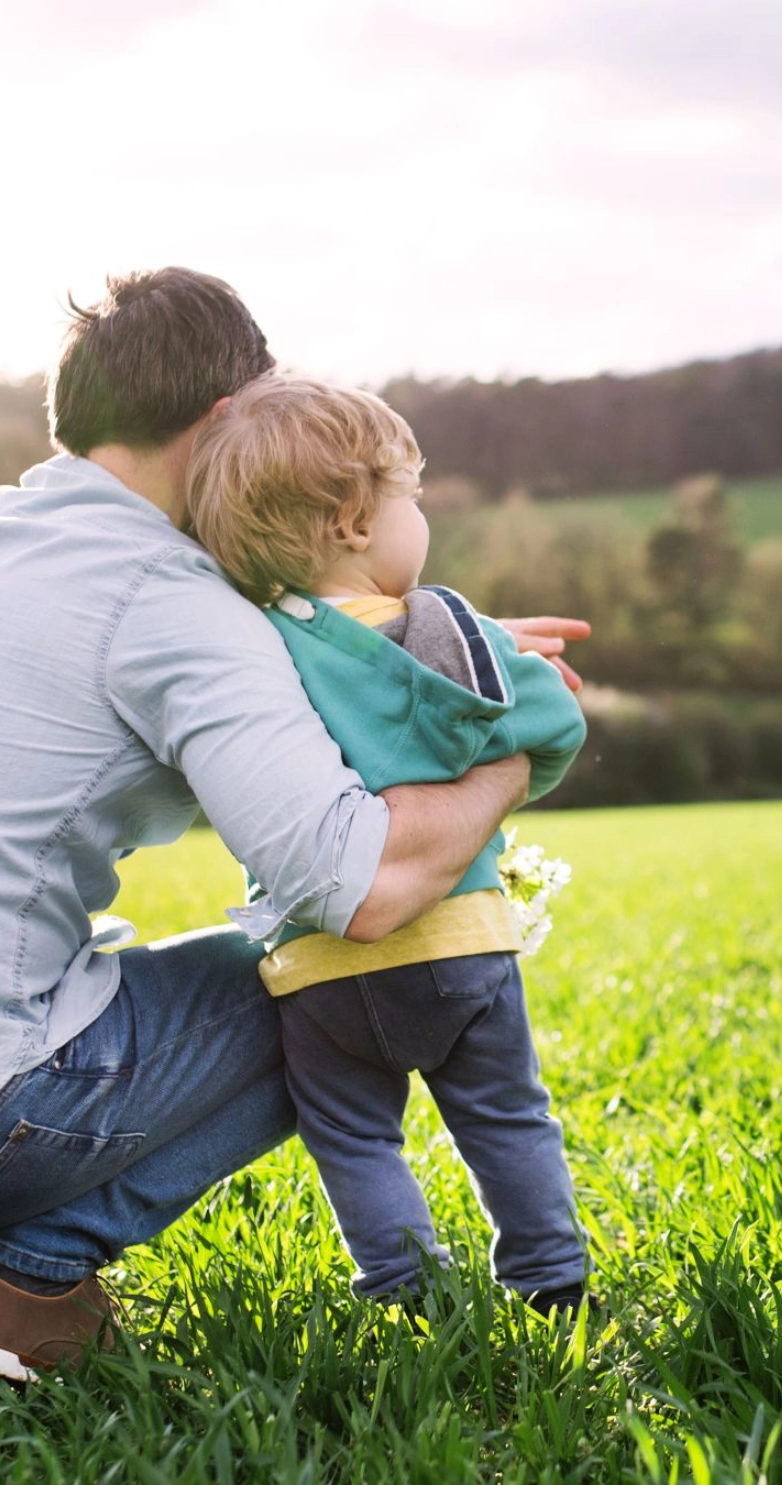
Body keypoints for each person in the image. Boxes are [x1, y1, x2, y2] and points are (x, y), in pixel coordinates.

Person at [0, 268, 589, 1383]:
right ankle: (25, 1281)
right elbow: (364, 891)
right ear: (224, 422)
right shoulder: (173, 602)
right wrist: (514, 748)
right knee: (324, 989)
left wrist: (404, 636)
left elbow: (270, 666)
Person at [183, 372, 589, 1311]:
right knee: (506, 1117)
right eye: (413, 497)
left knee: (356, 1139)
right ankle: (551, 1280)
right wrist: (512, 774)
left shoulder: (249, 654)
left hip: (317, 964)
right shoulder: (450, 631)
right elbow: (551, 728)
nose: (423, 518)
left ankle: (406, 1287)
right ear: (356, 520)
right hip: (459, 940)